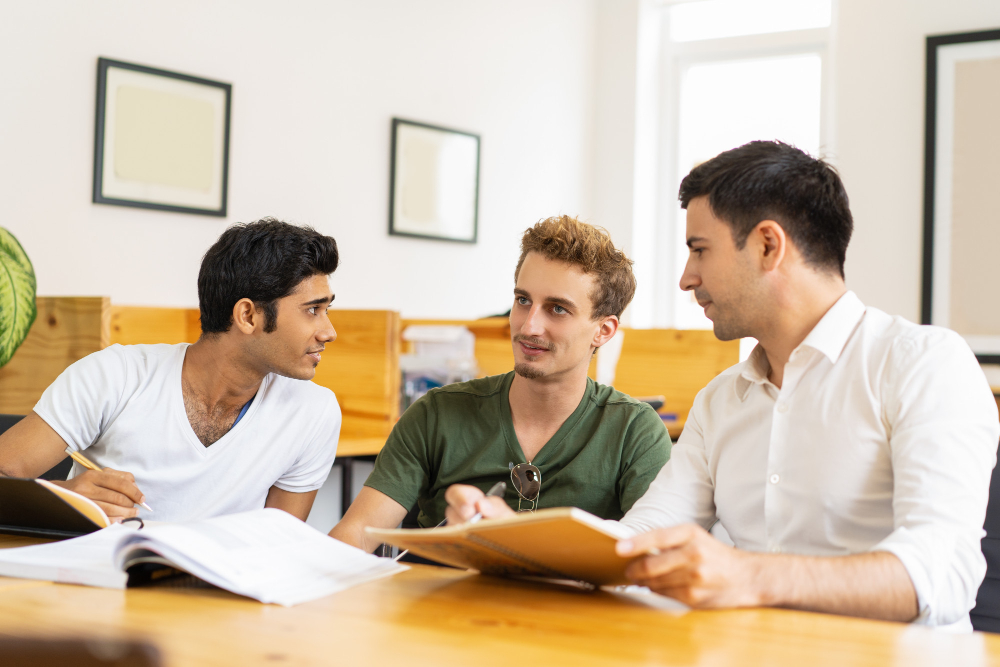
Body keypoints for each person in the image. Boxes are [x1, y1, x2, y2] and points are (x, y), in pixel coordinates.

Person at [453, 142, 999, 629]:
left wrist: (749, 575)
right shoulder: (721, 399)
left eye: (699, 249)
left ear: (767, 246)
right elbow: (645, 535)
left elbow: (942, 574)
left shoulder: (923, 366)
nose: (687, 277)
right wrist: (519, 543)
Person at [330, 216, 671, 552]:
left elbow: (652, 560)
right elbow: (358, 533)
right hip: (440, 606)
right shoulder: (436, 415)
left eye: (557, 309)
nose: (529, 326)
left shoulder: (634, 431)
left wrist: (513, 535)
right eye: (523, 301)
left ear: (604, 330)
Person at [0, 218, 342, 523]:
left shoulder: (314, 412)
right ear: (248, 316)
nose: (329, 331)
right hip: (100, 580)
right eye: (312, 310)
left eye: (326, 309)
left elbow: (278, 544)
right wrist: (67, 496)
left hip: (219, 590)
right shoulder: (115, 376)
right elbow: (6, 470)